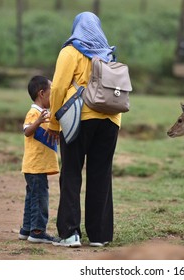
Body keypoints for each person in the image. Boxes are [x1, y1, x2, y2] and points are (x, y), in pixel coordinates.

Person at [46, 12, 121, 248]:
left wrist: (54, 123)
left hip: (78, 118)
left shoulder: (70, 51)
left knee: (71, 173)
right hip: (111, 120)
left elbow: (57, 88)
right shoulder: (108, 53)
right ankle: (100, 236)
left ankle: (70, 233)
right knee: (101, 175)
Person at [19, 76, 60, 243]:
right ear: (42, 93)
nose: (54, 96)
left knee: (32, 198)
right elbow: (27, 131)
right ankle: (37, 232)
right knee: (40, 198)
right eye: (52, 93)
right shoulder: (34, 113)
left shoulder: (44, 114)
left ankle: (26, 229)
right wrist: (38, 121)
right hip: (35, 166)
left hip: (36, 166)